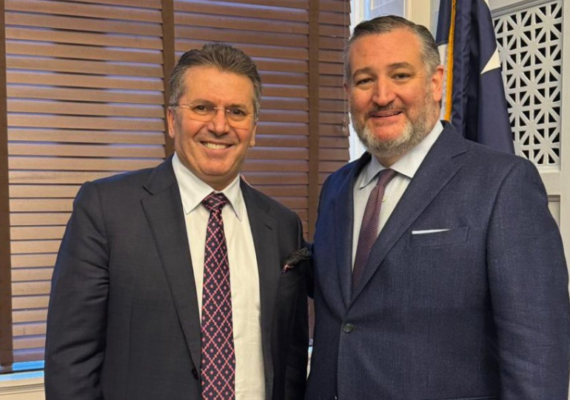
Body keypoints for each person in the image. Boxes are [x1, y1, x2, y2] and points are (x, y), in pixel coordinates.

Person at [306, 15, 569, 400]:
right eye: (364, 80)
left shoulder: (503, 184)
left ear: (434, 82)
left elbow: (537, 357)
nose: (382, 96)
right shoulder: (335, 189)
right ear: (348, 92)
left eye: (400, 75)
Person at [45, 43, 308, 400]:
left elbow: (291, 363)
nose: (220, 125)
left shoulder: (282, 225)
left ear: (254, 128)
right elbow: (70, 363)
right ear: (172, 120)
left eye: (236, 111)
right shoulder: (106, 210)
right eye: (202, 108)